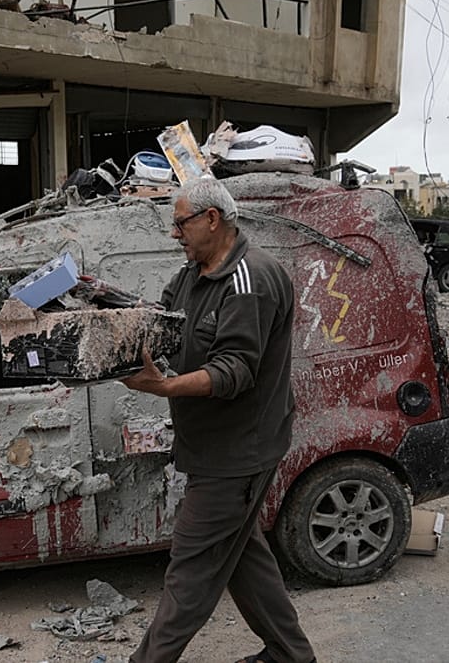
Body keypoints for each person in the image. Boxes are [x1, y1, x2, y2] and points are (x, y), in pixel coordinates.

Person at [123, 177, 316, 663]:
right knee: (243, 557)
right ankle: (291, 655)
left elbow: (235, 371)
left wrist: (165, 387)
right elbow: (162, 324)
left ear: (212, 219)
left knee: (190, 572)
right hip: (209, 447)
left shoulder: (251, 280)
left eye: (180, 223)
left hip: (237, 454)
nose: (174, 234)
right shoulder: (191, 274)